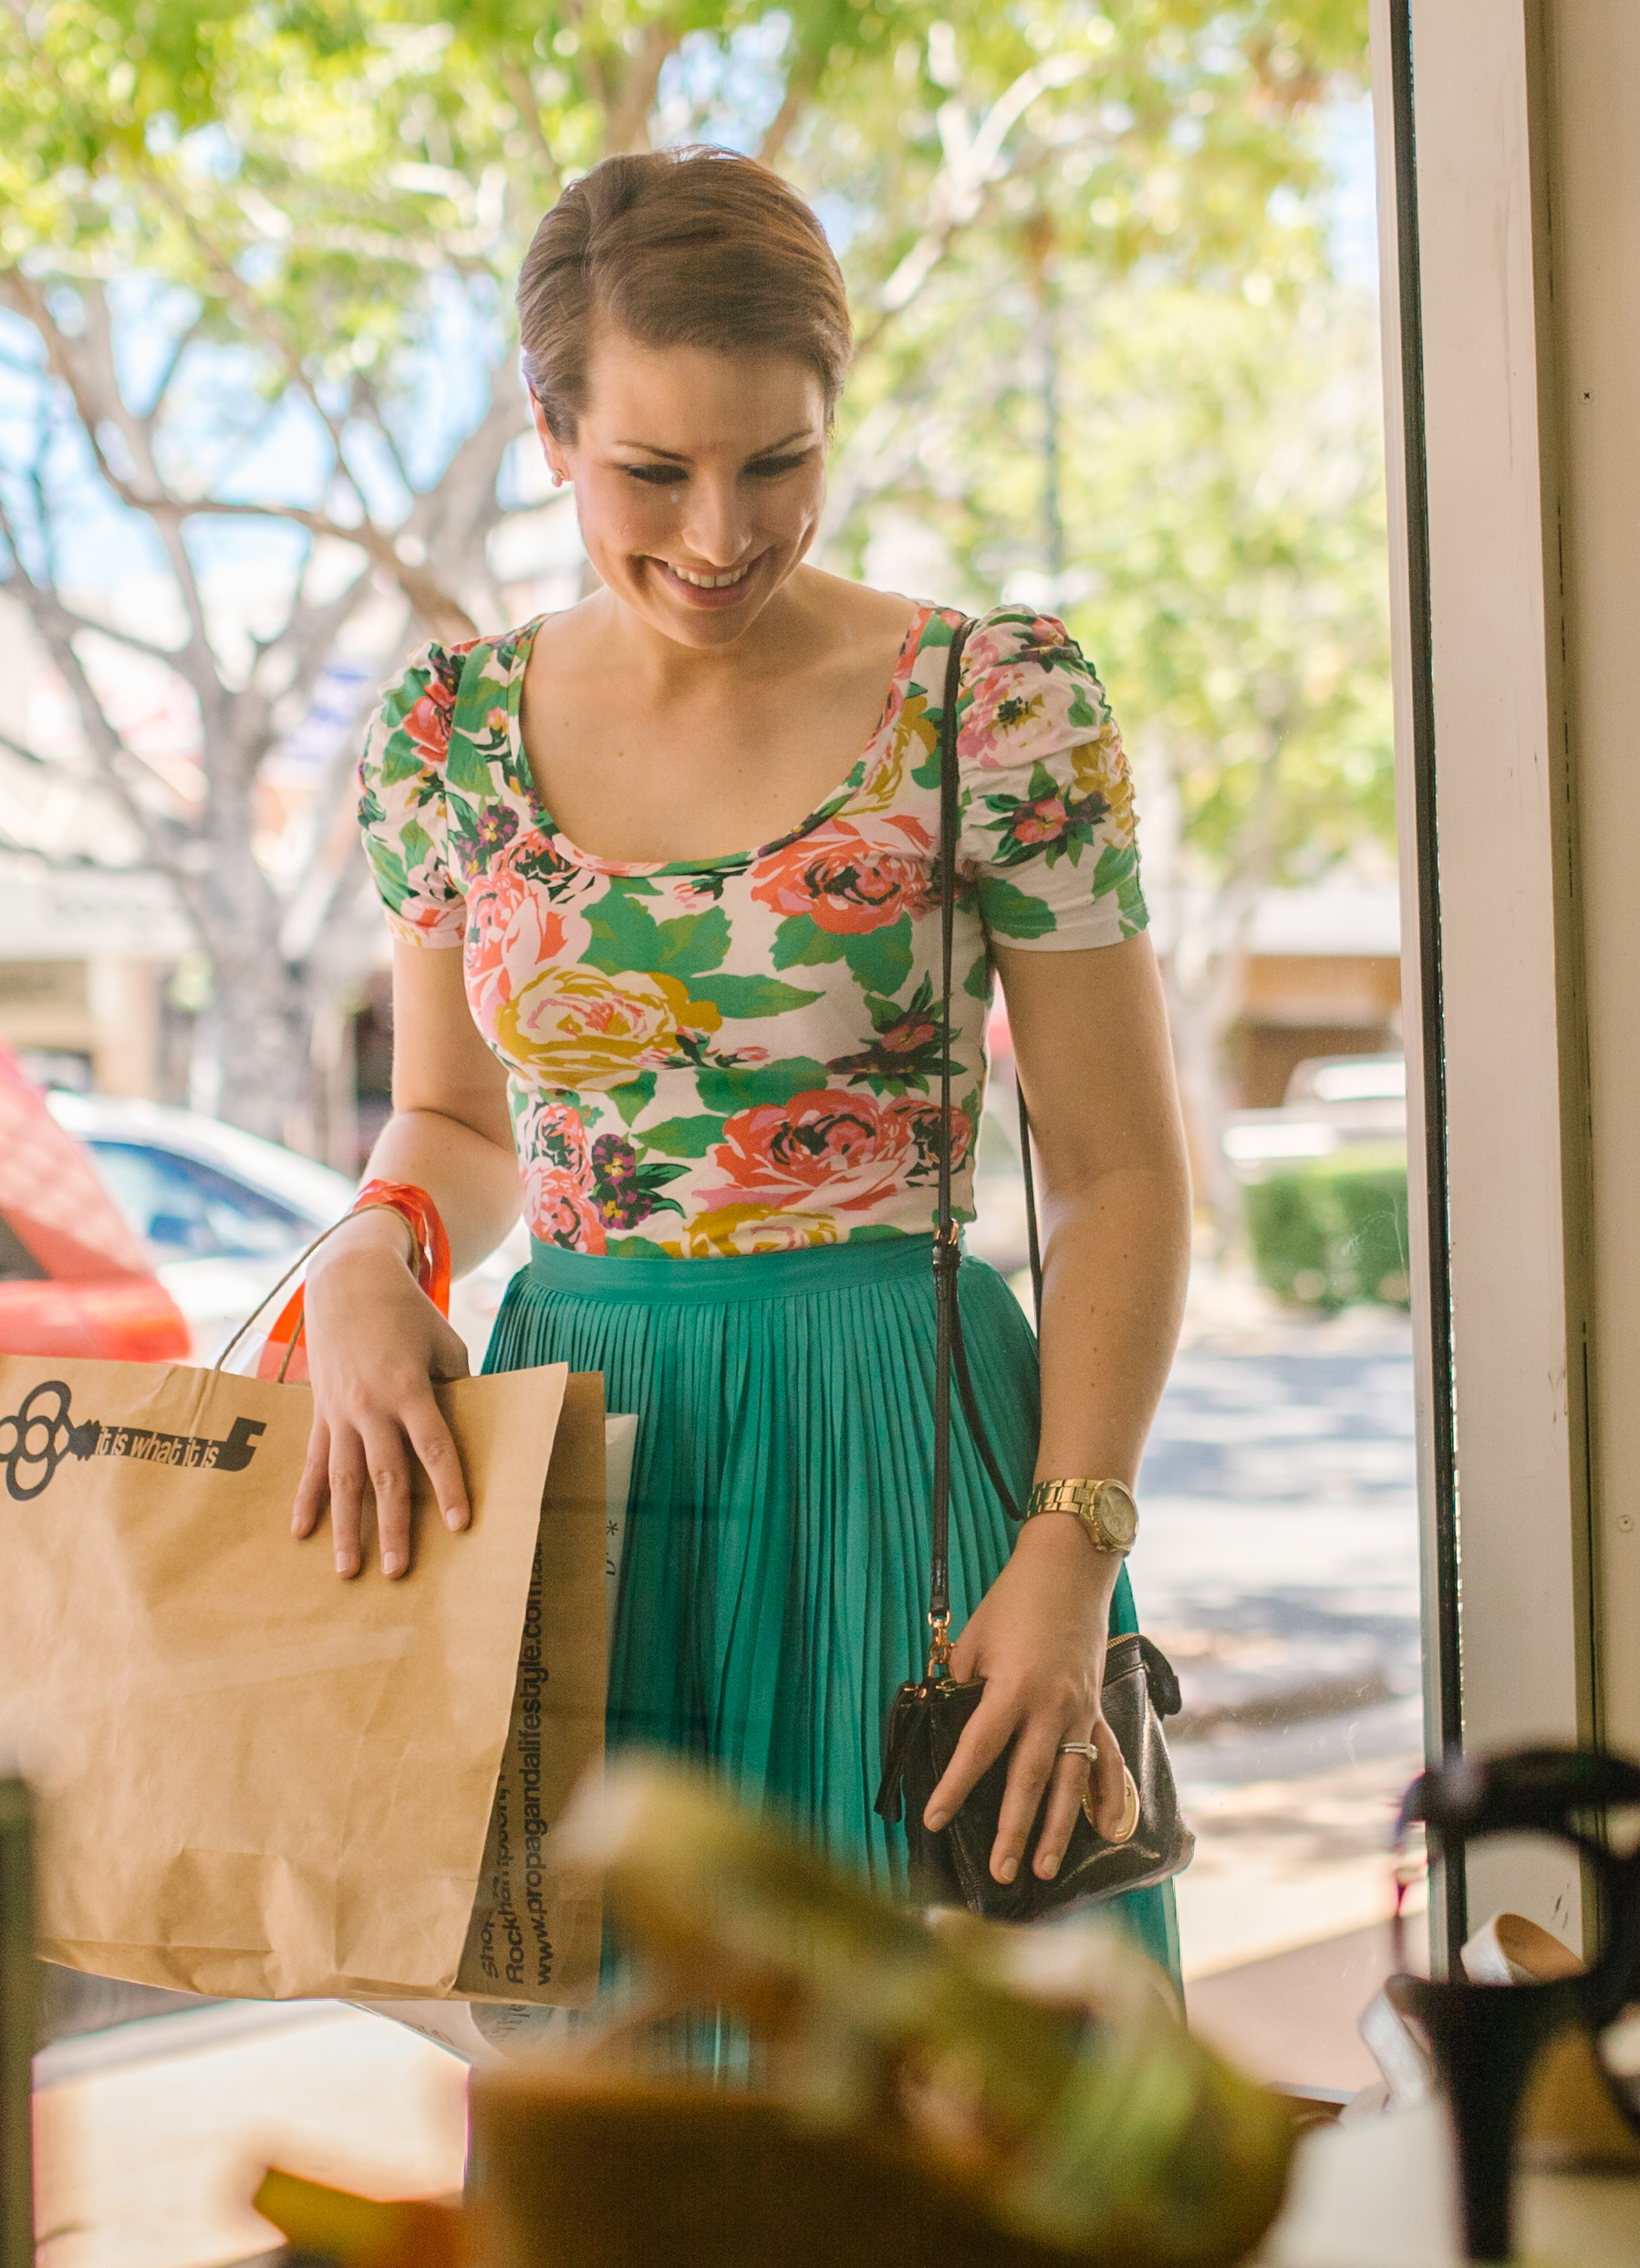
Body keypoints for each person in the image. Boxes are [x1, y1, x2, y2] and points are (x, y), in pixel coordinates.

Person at [300, 144, 1190, 1983]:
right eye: (653, 470)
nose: (719, 534)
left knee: (955, 2113)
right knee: (620, 2154)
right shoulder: (449, 738)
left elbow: (1117, 1169)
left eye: (776, 462)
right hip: (577, 1470)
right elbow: (458, 1119)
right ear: (549, 431)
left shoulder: (991, 706)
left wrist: (1076, 1546)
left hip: (910, 1449)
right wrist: (377, 1250)